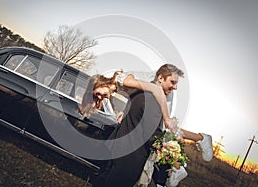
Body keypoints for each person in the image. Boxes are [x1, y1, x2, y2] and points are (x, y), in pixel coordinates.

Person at [79, 64, 213, 186]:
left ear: (100, 83)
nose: (101, 97)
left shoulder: (124, 80)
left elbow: (157, 90)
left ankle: (190, 151)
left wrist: (166, 118)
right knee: (163, 129)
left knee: (164, 127)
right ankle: (194, 145)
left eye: (98, 93)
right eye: (97, 97)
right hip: (153, 91)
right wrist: (124, 113)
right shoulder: (117, 90)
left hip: (157, 89)